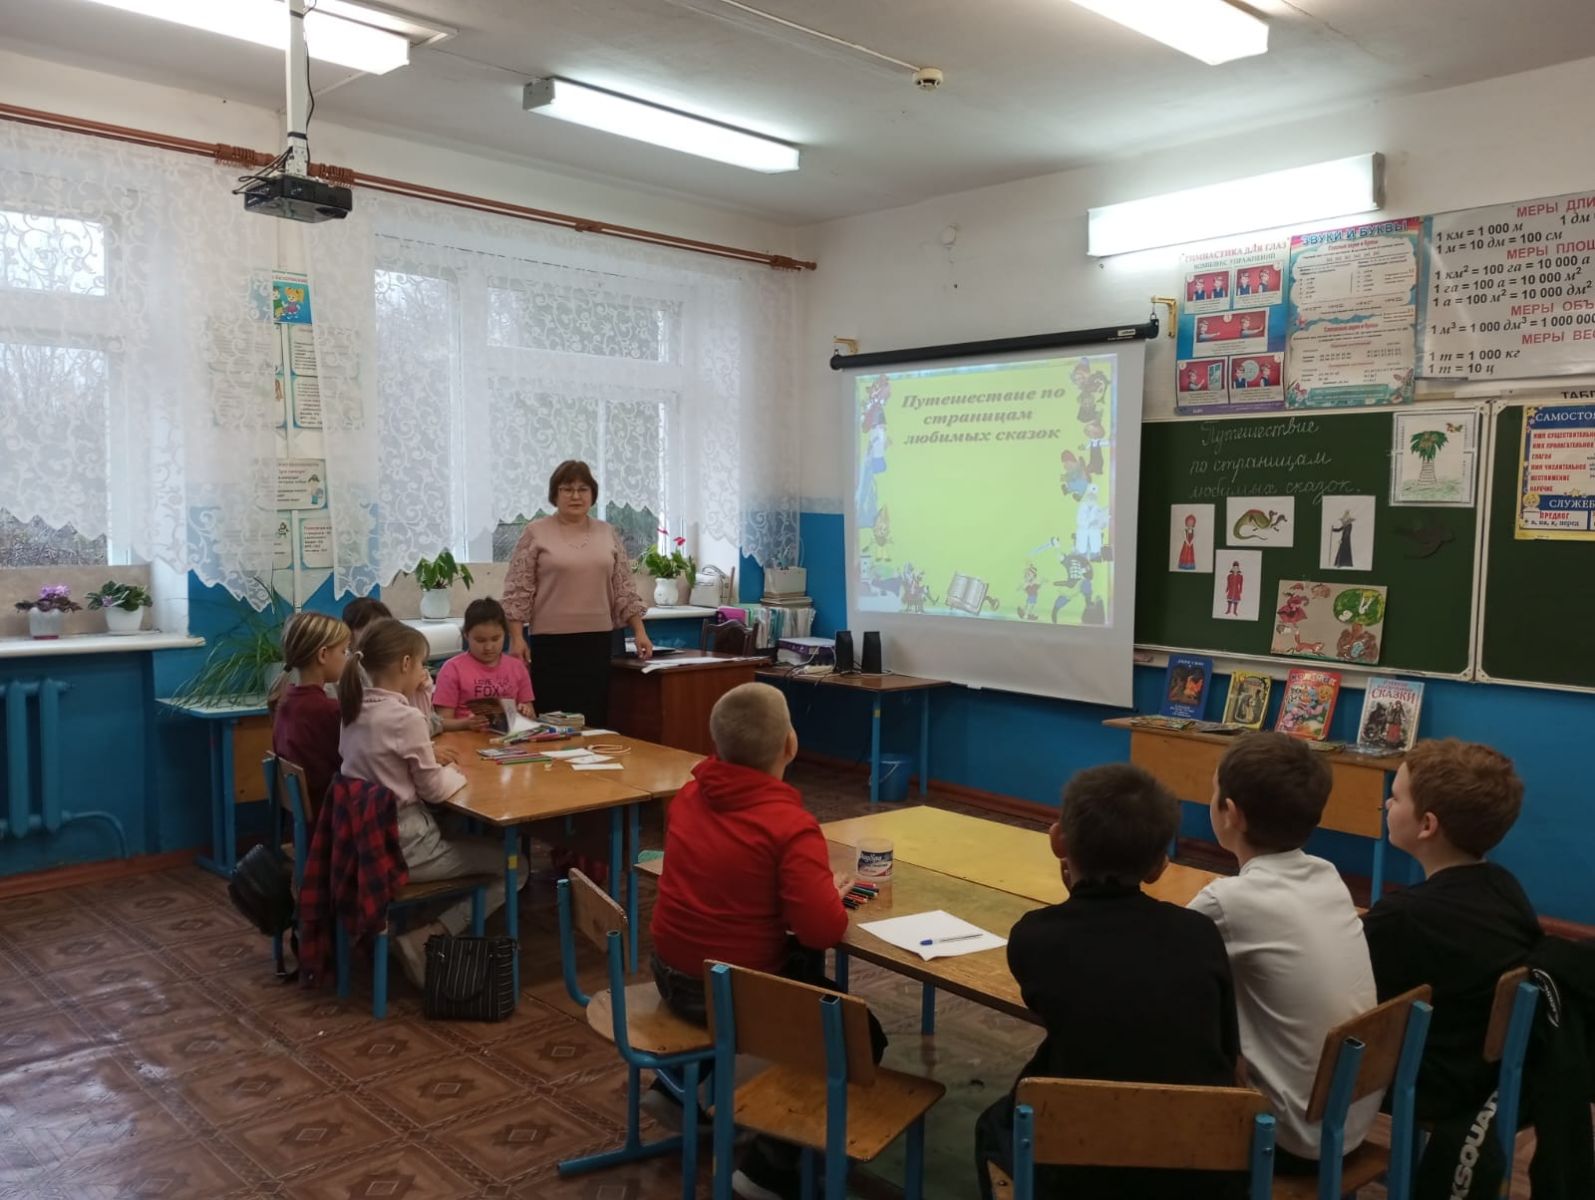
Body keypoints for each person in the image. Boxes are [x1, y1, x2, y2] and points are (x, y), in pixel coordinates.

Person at [649, 683, 879, 1200]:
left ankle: (680, 1087)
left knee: (782, 969)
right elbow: (822, 930)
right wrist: (828, 894)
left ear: (715, 742)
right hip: (730, 996)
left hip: (669, 974)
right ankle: (769, 1169)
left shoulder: (688, 796)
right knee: (853, 1033)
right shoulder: (790, 826)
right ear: (790, 746)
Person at [976, 764, 1241, 1200]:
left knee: (991, 1125)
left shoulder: (1034, 936)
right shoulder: (1201, 933)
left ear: (1058, 840)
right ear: (1158, 867)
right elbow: (1228, 1050)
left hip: (1079, 1171)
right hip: (1201, 1167)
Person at [1188, 733, 1379, 1173]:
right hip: (1350, 1118)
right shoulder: (1327, 875)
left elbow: (1159, 952)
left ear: (1231, 813)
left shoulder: (1228, 901)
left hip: (1290, 1137)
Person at [1361, 740, 1541, 1120]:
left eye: (1396, 796)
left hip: (1426, 1080)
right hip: (1489, 1076)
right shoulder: (1504, 886)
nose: (1388, 804)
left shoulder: (1404, 916)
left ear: (1427, 825)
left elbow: (1349, 995)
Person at [337, 619, 522, 985]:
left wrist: (422, 705)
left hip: (367, 843)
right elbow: (435, 790)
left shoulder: (354, 707)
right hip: (407, 845)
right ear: (406, 664)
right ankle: (428, 936)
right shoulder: (403, 718)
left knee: (458, 829)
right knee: (516, 865)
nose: (425, 671)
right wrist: (459, 775)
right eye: (422, 663)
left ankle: (420, 925)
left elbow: (407, 741)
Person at [502, 460, 652, 728]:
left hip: (597, 641)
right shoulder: (535, 532)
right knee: (552, 720)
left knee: (593, 718)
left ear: (592, 495)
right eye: (567, 489)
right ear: (555, 494)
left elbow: (624, 587)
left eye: (583, 489)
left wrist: (639, 631)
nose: (575, 496)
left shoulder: (607, 532)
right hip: (550, 643)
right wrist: (516, 638)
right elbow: (518, 589)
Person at [269, 612, 350, 812]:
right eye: (343, 651)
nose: (346, 658)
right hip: (331, 816)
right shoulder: (329, 710)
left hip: (306, 817)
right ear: (323, 655)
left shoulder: (284, 700)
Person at [432, 597, 535, 721]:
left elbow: (531, 715)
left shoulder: (517, 667)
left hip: (510, 731)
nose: (488, 647)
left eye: (495, 639)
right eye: (480, 640)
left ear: (505, 634)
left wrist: (525, 712)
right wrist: (466, 724)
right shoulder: (452, 669)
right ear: (466, 635)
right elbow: (443, 722)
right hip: (466, 732)